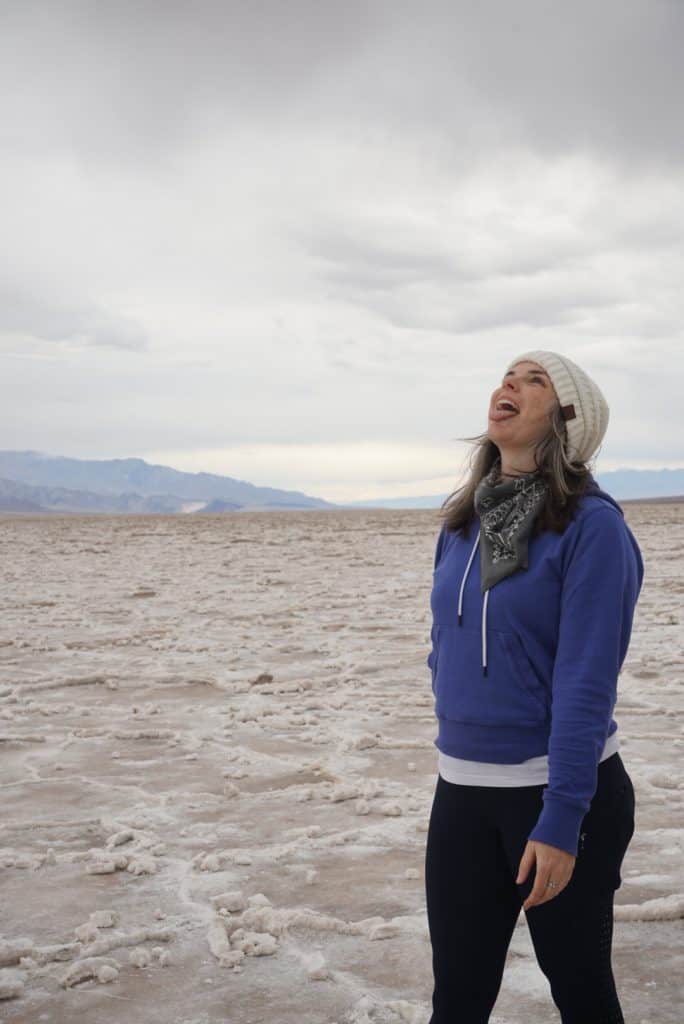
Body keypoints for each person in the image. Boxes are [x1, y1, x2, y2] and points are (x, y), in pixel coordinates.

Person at [424, 350, 644, 1024]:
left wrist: (563, 815)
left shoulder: (593, 529)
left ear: (568, 421)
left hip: (555, 795)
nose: (508, 385)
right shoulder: (463, 524)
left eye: (534, 380)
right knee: (456, 1001)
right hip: (462, 792)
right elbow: (444, 644)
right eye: (507, 375)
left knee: (580, 995)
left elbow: (585, 683)